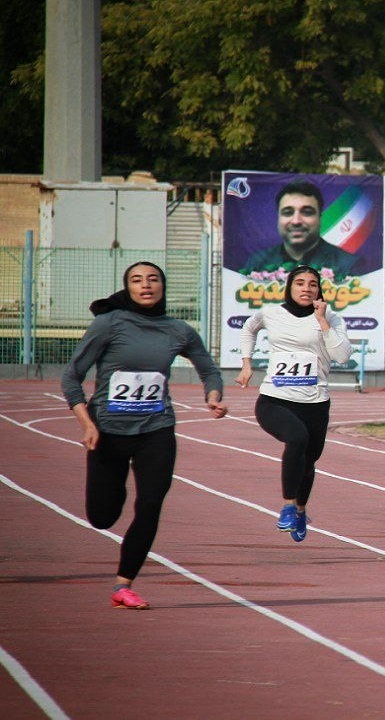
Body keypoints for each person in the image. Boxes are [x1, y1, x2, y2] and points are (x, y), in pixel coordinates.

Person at [61, 261, 227, 610]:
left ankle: (124, 584)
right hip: (107, 431)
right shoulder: (109, 324)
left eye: (153, 279)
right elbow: (71, 377)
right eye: (137, 280)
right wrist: (87, 423)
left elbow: (209, 369)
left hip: (157, 428)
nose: (146, 285)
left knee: (151, 503)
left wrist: (212, 397)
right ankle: (114, 484)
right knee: (103, 516)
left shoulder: (178, 330)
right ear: (128, 288)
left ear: (163, 287)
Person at [236, 265, 353, 542]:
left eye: (312, 284)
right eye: (300, 283)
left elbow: (342, 356)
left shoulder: (331, 317)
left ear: (319, 290)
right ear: (289, 287)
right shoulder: (271, 313)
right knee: (296, 438)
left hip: (315, 402)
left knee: (309, 461)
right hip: (275, 399)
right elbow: (248, 329)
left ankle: (300, 510)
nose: (306, 288)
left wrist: (323, 321)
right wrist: (246, 364)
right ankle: (288, 506)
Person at [238, 179, 365, 281]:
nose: (296, 221)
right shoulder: (257, 262)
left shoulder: (348, 264)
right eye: (287, 213)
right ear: (278, 218)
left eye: (307, 212)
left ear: (320, 218)